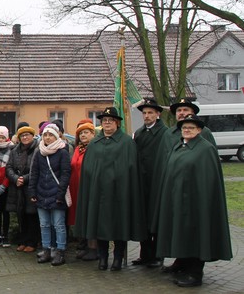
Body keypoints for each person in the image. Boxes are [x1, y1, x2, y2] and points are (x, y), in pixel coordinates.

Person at [155, 114, 232, 287]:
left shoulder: (205, 149)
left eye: (191, 127)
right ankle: (183, 264)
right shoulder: (180, 146)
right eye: (184, 128)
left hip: (197, 202)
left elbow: (207, 180)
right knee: (183, 233)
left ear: (199, 130)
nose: (187, 130)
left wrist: (199, 200)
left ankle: (195, 273)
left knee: (197, 234)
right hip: (179, 201)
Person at [75, 107, 146, 271]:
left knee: (118, 225)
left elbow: (131, 167)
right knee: (100, 227)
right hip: (98, 194)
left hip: (118, 193)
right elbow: (88, 168)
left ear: (117, 123)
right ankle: (103, 258)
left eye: (110, 120)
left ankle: (118, 258)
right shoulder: (95, 143)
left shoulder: (127, 142)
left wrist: (117, 177)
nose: (107, 123)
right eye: (104, 121)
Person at [131, 98, 167, 268]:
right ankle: (145, 254)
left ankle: (158, 255)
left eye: (150, 112)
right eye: (144, 113)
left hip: (157, 181)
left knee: (157, 219)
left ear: (157, 114)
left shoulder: (165, 133)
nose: (147, 116)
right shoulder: (139, 133)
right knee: (143, 219)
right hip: (141, 182)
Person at [29, 124, 71, 266]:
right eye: (45, 135)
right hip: (41, 192)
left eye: (51, 135)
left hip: (57, 193)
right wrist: (32, 191)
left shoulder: (63, 152)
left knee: (58, 224)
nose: (47, 137)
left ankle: (60, 251)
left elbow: (65, 174)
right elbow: (34, 173)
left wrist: (60, 193)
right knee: (44, 224)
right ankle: (46, 249)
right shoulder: (39, 151)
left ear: (57, 136)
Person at [6, 124, 41, 253]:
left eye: (27, 135)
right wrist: (15, 178)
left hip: (31, 186)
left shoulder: (37, 149)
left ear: (32, 136)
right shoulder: (15, 150)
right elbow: (8, 167)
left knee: (31, 214)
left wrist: (24, 178)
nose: (25, 137)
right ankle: (23, 240)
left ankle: (32, 241)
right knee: (21, 215)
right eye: (22, 135)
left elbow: (37, 168)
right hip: (18, 187)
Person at [70, 121, 97, 261]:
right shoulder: (77, 149)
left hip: (89, 188)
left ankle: (93, 247)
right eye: (80, 133)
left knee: (90, 217)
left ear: (93, 134)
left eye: (86, 132)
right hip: (76, 189)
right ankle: (83, 245)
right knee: (80, 217)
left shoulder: (94, 149)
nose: (83, 135)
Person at [0, 126, 14, 248]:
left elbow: (11, 167)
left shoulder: (11, 149)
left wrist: (4, 185)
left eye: (3, 137)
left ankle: (5, 235)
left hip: (7, 185)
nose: (1, 140)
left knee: (6, 211)